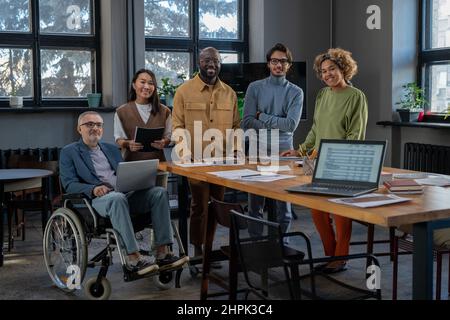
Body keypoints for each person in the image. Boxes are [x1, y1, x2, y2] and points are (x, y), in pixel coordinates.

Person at [59, 111, 188, 276]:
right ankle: (133, 257)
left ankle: (162, 252)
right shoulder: (69, 151)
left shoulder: (111, 149)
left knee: (159, 193)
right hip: (96, 200)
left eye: (98, 125)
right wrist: (92, 189)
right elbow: (69, 184)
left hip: (123, 194)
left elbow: (123, 173)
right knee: (117, 198)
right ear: (79, 129)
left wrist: (138, 179)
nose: (95, 128)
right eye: (89, 124)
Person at [281, 48, 368, 274]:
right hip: (317, 162)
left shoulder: (356, 96)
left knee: (340, 212)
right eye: (323, 71)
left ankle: (340, 258)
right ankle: (332, 255)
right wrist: (299, 150)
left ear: (343, 69)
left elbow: (355, 135)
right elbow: (316, 130)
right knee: (317, 210)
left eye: (332, 69)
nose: (327, 74)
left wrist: (331, 153)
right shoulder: (322, 95)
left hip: (343, 162)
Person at [172, 47, 241, 257]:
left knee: (216, 206)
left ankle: (208, 246)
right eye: (207, 60)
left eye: (216, 60)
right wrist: (184, 152)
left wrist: (237, 150)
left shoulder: (229, 93)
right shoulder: (184, 91)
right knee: (199, 205)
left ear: (220, 64)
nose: (212, 64)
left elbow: (236, 126)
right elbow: (177, 126)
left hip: (222, 161)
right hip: (195, 161)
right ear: (199, 62)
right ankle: (198, 249)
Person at [241, 43, 303, 237]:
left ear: (289, 65)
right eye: (274, 61)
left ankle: (280, 246)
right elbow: (247, 122)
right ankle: (256, 246)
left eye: (283, 61)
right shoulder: (255, 88)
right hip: (257, 150)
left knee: (283, 207)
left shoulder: (296, 92)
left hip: (283, 152)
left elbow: (291, 126)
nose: (279, 65)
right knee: (255, 205)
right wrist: (276, 124)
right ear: (268, 64)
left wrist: (263, 116)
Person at [114, 69, 172, 162]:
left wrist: (164, 142)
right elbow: (119, 139)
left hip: (159, 166)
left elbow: (168, 137)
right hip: (132, 165)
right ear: (134, 85)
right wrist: (128, 144)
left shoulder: (165, 111)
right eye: (142, 82)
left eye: (150, 83)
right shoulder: (121, 111)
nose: (146, 86)